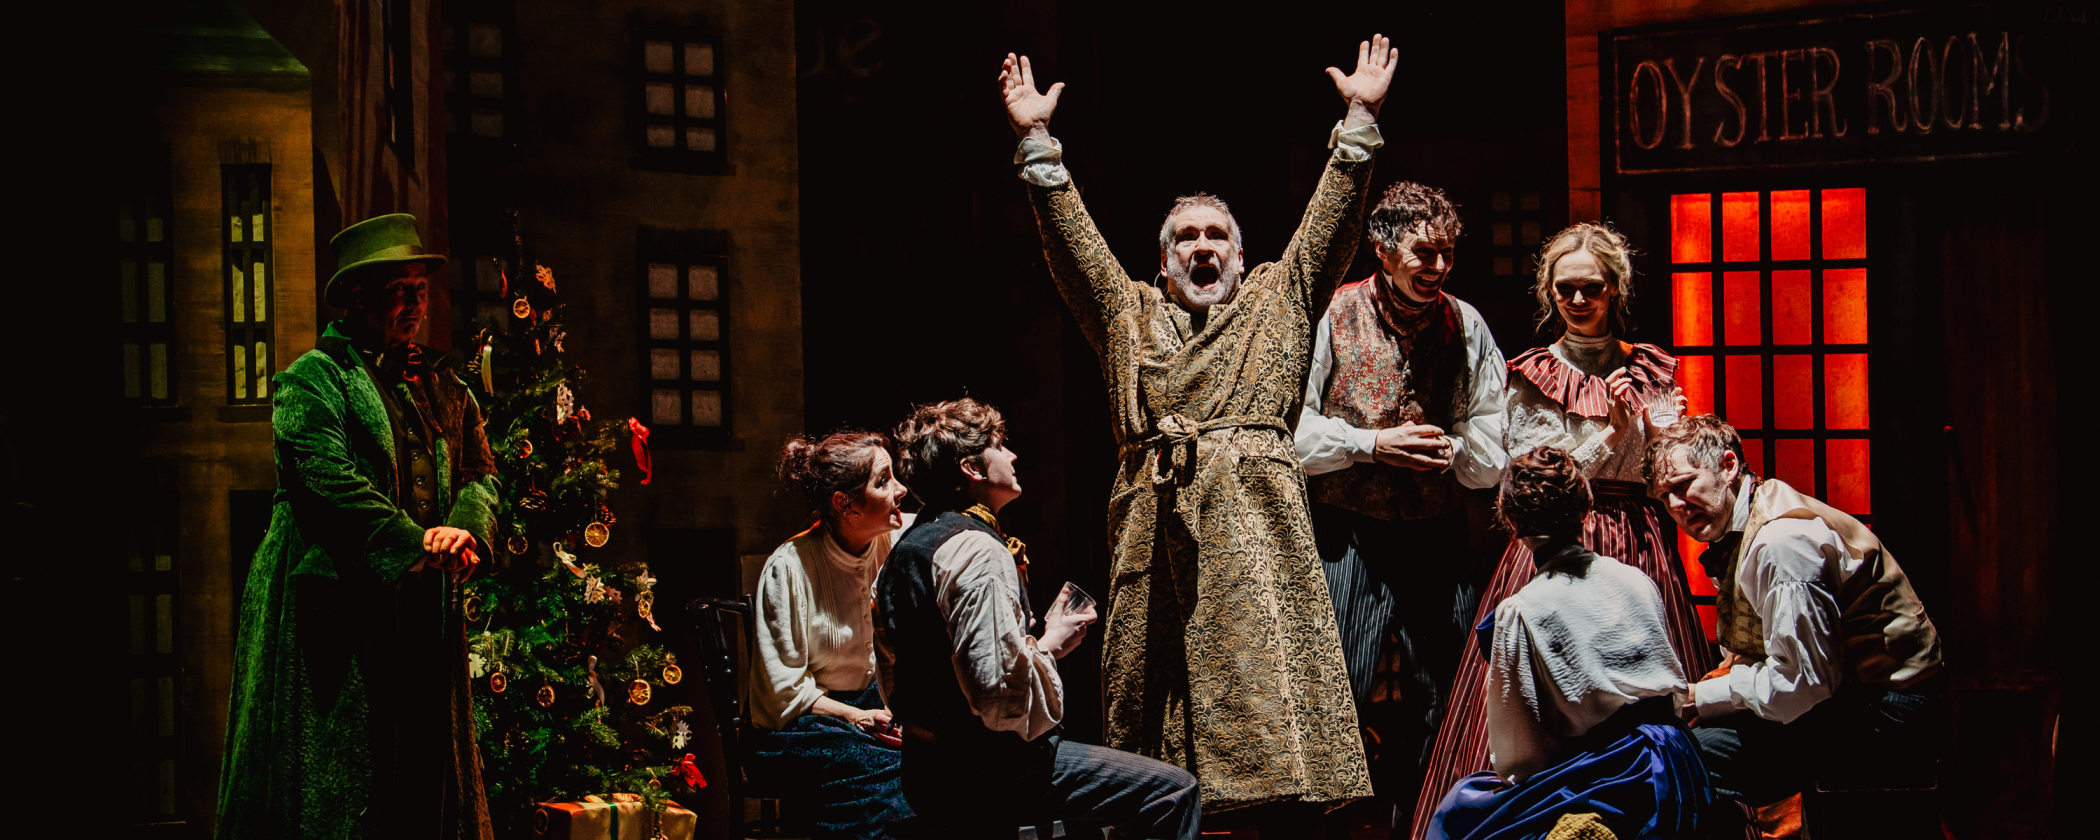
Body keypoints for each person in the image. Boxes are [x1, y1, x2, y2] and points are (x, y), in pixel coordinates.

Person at [998, 37, 1393, 814]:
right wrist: (1037, 142)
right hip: (1157, 526)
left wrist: (1358, 122)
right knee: (1157, 727)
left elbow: (1329, 226)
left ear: (1242, 257)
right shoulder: (1128, 312)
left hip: (1258, 532)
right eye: (1187, 237)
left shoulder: (1280, 297)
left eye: (1217, 237)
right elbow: (1075, 251)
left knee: (1273, 722)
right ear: (1162, 260)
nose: (1202, 247)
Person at [1410, 223, 1714, 837]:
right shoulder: (1535, 372)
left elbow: (1663, 478)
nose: (1577, 300)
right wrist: (1613, 431)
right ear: (1549, 292)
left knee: (1639, 686)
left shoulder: (1650, 367)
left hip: (1637, 539)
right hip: (1553, 537)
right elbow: (1530, 474)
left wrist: (1660, 438)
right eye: (1565, 288)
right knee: (1542, 688)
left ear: (1615, 289)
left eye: (1591, 288)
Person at [217, 214, 497, 839]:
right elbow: (328, 482)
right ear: (357, 295)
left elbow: (480, 474)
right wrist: (414, 542)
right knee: (336, 784)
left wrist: (462, 530)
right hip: (338, 611)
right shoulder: (313, 380)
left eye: (420, 289)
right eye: (399, 290)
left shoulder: (443, 387)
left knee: (420, 772)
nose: (415, 305)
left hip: (421, 609)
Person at [874, 398, 1200, 839]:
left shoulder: (907, 547)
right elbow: (998, 697)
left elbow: (894, 672)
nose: (1012, 456)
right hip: (987, 772)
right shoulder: (976, 551)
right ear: (971, 468)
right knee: (1173, 790)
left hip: (925, 770)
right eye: (998, 445)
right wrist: (1050, 645)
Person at [1293, 181, 1507, 830]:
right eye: (1424, 253)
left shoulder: (1466, 325)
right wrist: (1372, 445)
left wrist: (1451, 451)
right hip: (1344, 531)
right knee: (1338, 686)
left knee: (1444, 691)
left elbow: (1492, 445)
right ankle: (1325, 827)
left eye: (1447, 253)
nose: (1438, 266)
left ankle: (1428, 823)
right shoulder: (1333, 314)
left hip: (1433, 532)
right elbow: (1291, 432)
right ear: (1383, 252)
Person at [1644, 415, 1943, 828]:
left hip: (1885, 708)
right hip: (1841, 693)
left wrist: (1704, 696)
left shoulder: (1780, 542)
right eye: (1665, 496)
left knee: (1683, 761)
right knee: (1677, 746)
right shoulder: (1749, 514)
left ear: (1728, 466)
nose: (1676, 505)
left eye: (1684, 484)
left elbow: (1805, 684)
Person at [1424, 447, 1713, 840]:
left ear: (1511, 521)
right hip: (1676, 761)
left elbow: (1521, 757)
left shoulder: (1521, 609)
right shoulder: (1636, 578)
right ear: (1586, 510)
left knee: (1459, 810)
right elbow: (1671, 690)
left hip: (1609, 776)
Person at [745, 431, 915, 838]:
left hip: (877, 712)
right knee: (887, 769)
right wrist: (855, 716)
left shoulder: (899, 541)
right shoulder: (789, 567)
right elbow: (782, 695)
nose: (901, 489)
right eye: (883, 481)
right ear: (845, 504)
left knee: (935, 760)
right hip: (801, 726)